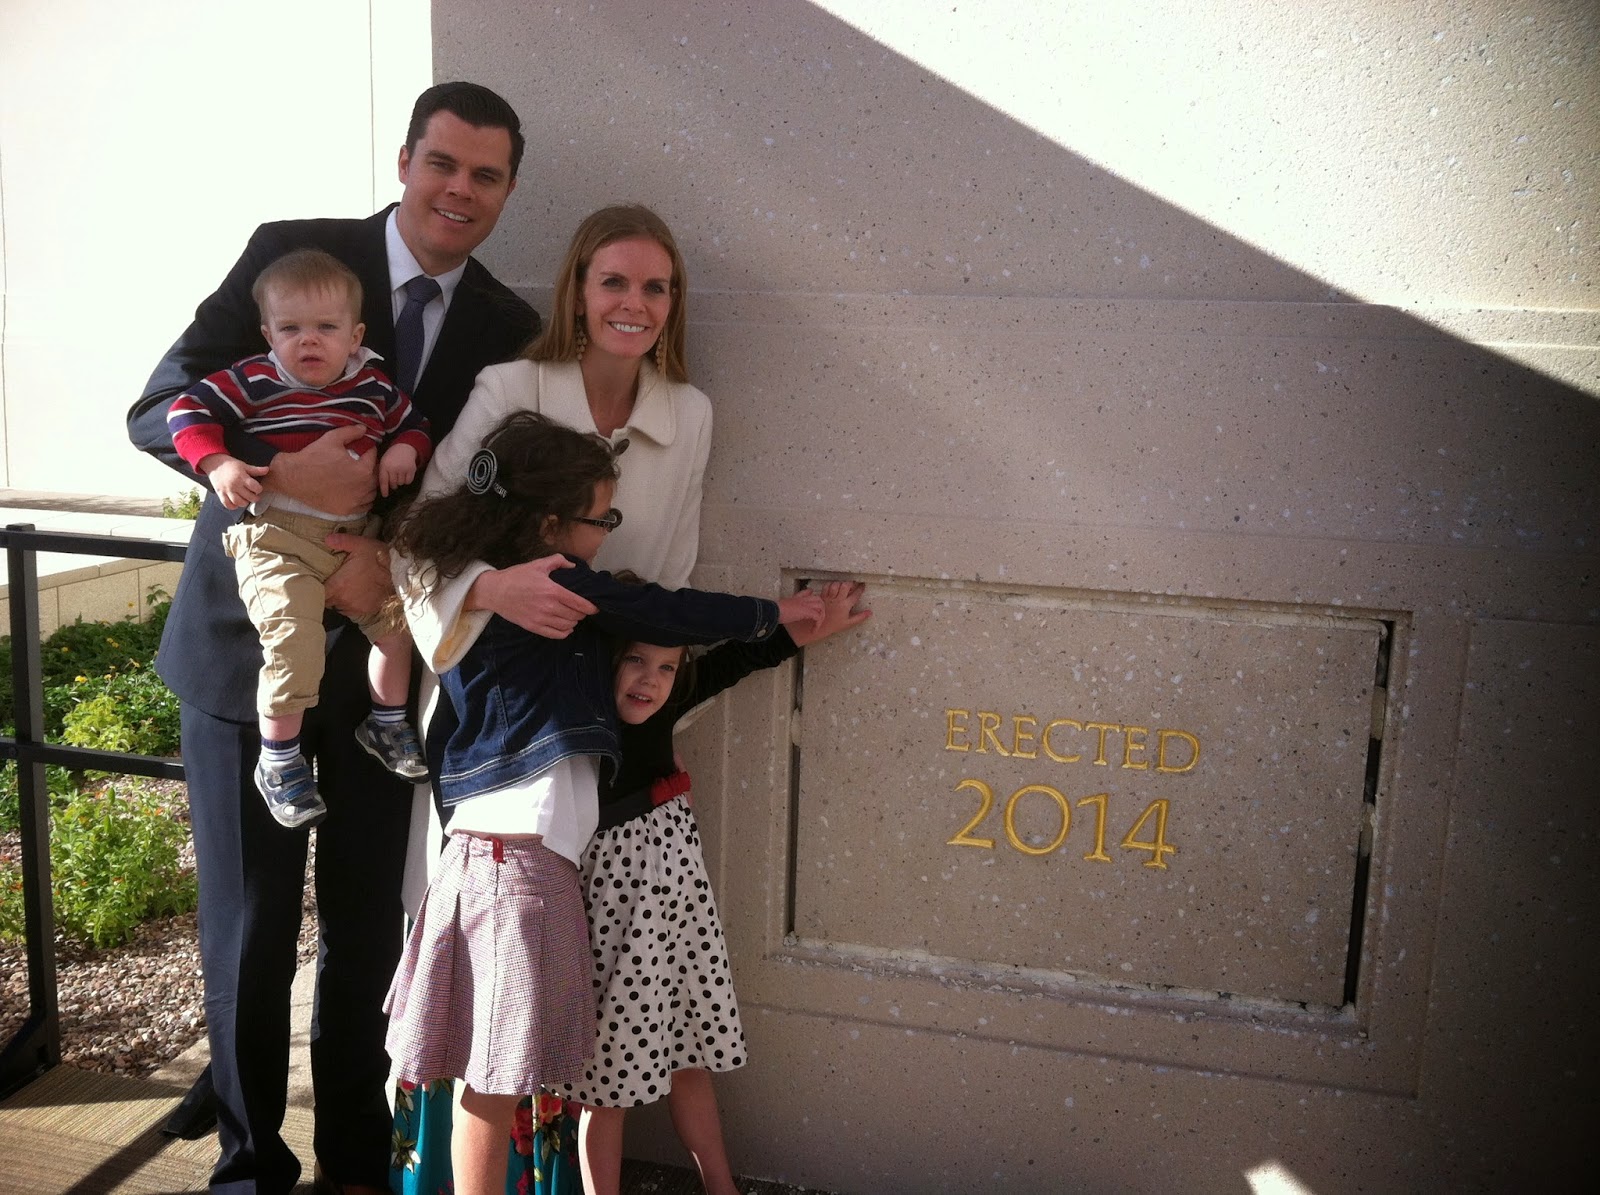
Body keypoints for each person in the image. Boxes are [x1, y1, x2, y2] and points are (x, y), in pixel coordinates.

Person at [126, 82, 590, 1195]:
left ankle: (350, 1163)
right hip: (249, 656)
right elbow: (161, 406)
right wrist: (280, 474)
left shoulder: (506, 325)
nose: (459, 190)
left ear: (507, 191)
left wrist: (402, 563)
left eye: (485, 176)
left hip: (390, 672)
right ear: (404, 161)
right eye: (443, 163)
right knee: (248, 929)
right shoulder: (293, 257)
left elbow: (486, 491)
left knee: (366, 929)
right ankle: (250, 1166)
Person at [381, 412, 824, 1195]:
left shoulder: (497, 592)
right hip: (514, 867)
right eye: (602, 519)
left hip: (505, 862)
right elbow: (664, 612)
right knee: (494, 1080)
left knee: (494, 1074)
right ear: (550, 523)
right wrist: (772, 613)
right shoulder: (539, 584)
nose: (606, 534)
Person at [388, 204, 717, 1194]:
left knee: (570, 975)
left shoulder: (690, 415)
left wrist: (647, 686)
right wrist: (494, 589)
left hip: (603, 728)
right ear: (577, 290)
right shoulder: (511, 388)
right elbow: (417, 542)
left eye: (655, 286)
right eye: (613, 280)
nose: (634, 303)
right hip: (498, 736)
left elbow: (671, 575)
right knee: (489, 988)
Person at [567, 579, 871, 1195]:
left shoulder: (670, 700)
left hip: (679, 913)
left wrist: (817, 624)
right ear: (605, 659)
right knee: (607, 1083)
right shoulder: (576, 718)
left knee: (690, 1052)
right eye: (635, 660)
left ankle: (721, 1188)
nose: (650, 680)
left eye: (666, 667)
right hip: (615, 923)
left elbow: (741, 658)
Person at [166, 248, 433, 829]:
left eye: (326, 328)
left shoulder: (371, 383)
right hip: (277, 539)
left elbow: (414, 424)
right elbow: (184, 411)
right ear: (268, 334)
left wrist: (404, 451)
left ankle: (387, 723)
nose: (308, 341)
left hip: (354, 538)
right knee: (293, 644)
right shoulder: (254, 379)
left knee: (396, 630)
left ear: (355, 335)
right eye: (290, 329)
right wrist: (218, 462)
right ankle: (279, 760)